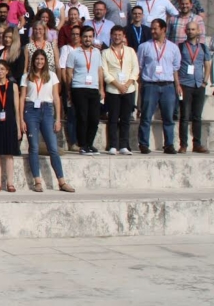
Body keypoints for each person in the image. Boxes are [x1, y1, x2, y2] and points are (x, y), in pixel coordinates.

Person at [22, 50, 74, 192]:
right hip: (31, 110)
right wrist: (21, 119)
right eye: (37, 59)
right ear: (33, 61)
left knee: (53, 147)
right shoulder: (26, 77)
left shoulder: (52, 76)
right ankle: (37, 181)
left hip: (47, 110)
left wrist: (58, 119)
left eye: (42, 59)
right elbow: (22, 98)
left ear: (45, 61)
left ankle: (62, 181)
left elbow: (56, 98)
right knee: (34, 146)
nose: (39, 61)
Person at [137, 19, 182, 154]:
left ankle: (169, 144)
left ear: (163, 29)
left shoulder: (173, 48)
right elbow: (140, 66)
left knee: (168, 117)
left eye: (155, 28)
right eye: (151, 28)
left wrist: (177, 85)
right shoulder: (144, 46)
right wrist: (140, 87)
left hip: (168, 85)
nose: (153, 31)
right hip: (150, 84)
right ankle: (143, 144)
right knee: (146, 116)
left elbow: (175, 68)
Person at [64, 26, 105, 155]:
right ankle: (82, 144)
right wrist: (69, 90)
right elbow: (69, 73)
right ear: (81, 38)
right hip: (79, 87)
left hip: (93, 88)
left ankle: (89, 143)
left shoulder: (97, 52)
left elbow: (99, 71)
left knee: (94, 118)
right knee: (82, 117)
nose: (88, 39)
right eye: (85, 36)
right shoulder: (74, 53)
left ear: (93, 38)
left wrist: (101, 88)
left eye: (90, 36)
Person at [0, 60, 22, 192]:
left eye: (2, 69)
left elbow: (17, 108)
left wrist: (18, 127)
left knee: (8, 154)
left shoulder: (13, 86)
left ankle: (10, 183)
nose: (0, 71)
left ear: (7, 71)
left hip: (10, 121)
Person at [102, 26, 140, 155]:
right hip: (113, 89)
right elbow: (105, 72)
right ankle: (112, 145)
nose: (117, 37)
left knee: (125, 118)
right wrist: (118, 85)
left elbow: (135, 69)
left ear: (123, 36)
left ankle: (124, 145)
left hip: (128, 89)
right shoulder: (106, 52)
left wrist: (128, 83)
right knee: (113, 118)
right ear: (111, 36)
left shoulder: (130, 51)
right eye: (114, 35)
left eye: (119, 35)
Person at [178, 21, 212, 154]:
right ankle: (183, 144)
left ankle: (197, 144)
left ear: (198, 31)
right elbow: (176, 65)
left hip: (199, 85)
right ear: (185, 31)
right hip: (185, 84)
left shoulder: (203, 48)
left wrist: (205, 82)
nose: (191, 31)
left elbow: (207, 65)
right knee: (184, 116)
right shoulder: (180, 47)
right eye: (189, 29)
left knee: (197, 116)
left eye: (193, 29)